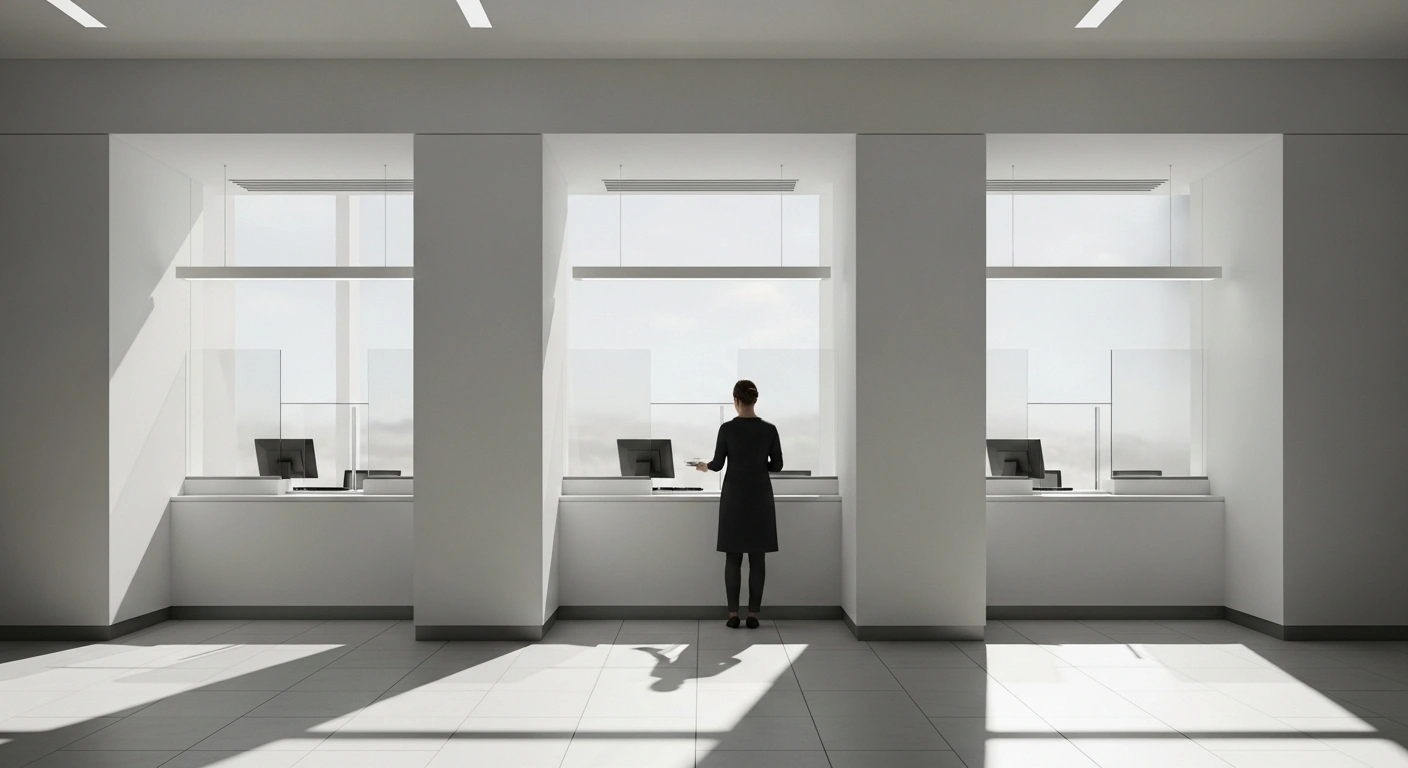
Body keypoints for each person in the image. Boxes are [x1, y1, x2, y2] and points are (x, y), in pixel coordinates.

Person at [695, 379, 783, 629]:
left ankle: (733, 615)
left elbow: (718, 463)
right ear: (755, 399)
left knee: (732, 558)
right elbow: (776, 466)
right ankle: (753, 615)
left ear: (735, 401)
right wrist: (756, 466)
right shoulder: (770, 429)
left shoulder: (727, 429)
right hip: (760, 498)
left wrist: (704, 466)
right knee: (758, 558)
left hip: (734, 497)